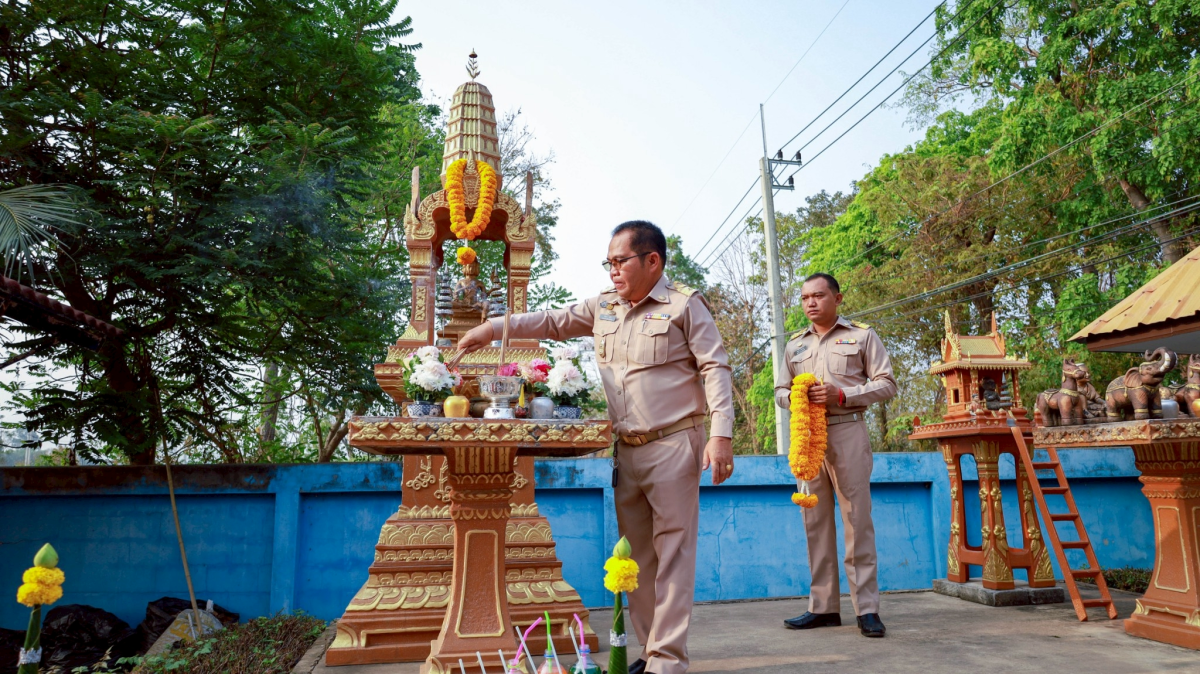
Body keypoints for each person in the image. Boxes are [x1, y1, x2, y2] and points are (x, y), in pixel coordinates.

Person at [458, 220, 735, 674]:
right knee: (636, 559)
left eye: (620, 261)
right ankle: (649, 652)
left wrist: (721, 433)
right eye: (608, 263)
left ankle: (667, 660)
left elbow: (715, 367)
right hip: (625, 450)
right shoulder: (604, 307)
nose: (612, 271)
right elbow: (552, 320)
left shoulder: (685, 306)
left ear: (652, 261)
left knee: (674, 556)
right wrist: (492, 328)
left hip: (673, 444)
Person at [773, 272, 897, 638]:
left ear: (837, 299)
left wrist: (841, 396)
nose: (811, 303)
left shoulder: (861, 336)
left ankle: (867, 609)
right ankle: (823, 606)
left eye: (819, 296)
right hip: (808, 437)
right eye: (805, 298)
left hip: (847, 431)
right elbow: (780, 390)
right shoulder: (794, 345)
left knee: (857, 521)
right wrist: (797, 396)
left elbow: (887, 384)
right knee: (814, 522)